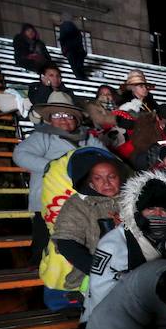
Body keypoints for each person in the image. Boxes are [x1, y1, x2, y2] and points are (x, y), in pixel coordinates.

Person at [85, 170, 166, 321]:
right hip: (124, 320)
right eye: (151, 208)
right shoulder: (114, 243)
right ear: (137, 211)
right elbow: (100, 293)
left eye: (165, 210)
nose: (157, 214)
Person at [13, 91, 107, 264]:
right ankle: (38, 272)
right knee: (44, 241)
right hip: (49, 200)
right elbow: (20, 154)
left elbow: (107, 158)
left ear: (77, 120)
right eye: (58, 114)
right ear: (50, 118)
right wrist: (52, 167)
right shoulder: (43, 136)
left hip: (81, 201)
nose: (64, 119)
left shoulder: (88, 139)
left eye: (69, 115)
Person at [44, 150, 128, 308]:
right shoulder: (78, 204)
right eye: (98, 178)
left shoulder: (133, 198)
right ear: (90, 183)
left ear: (120, 178)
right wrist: (99, 270)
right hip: (91, 273)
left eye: (112, 177)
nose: (107, 183)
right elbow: (65, 242)